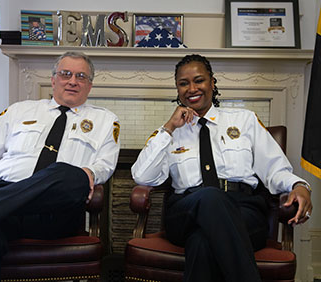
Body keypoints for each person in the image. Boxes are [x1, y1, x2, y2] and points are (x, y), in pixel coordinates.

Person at [0, 51, 120, 282]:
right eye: (66, 74)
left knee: (70, 174)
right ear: (53, 78)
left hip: (54, 213)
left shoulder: (106, 120)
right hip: (3, 210)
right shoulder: (19, 111)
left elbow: (106, 164)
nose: (73, 81)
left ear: (90, 85)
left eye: (81, 76)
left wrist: (90, 172)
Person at [131, 54, 312, 282]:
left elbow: (274, 168)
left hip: (244, 211)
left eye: (199, 80)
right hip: (186, 211)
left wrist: (299, 184)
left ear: (212, 83)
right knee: (210, 197)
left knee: (202, 243)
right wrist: (168, 128)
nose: (192, 88)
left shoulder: (244, 120)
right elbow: (142, 176)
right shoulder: (170, 133)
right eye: (183, 83)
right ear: (177, 89)